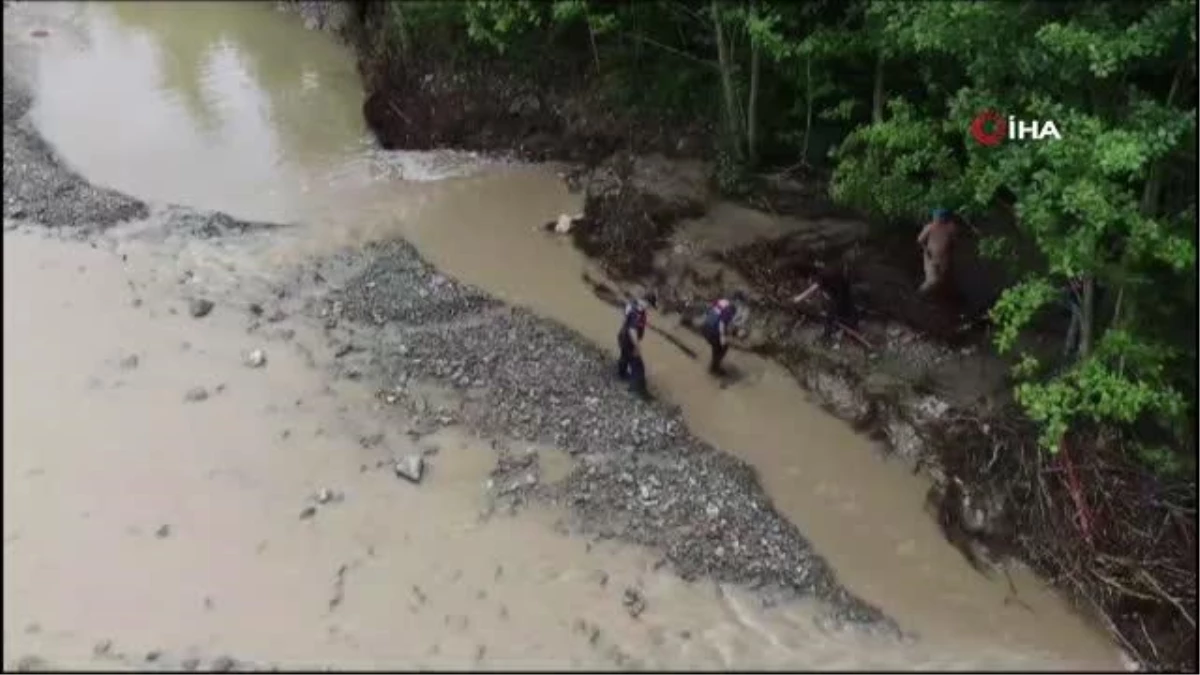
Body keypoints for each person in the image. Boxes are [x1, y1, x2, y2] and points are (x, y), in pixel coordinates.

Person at [616, 292, 656, 398]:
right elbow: (632, 330)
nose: (650, 309)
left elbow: (625, 318)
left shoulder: (632, 304)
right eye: (650, 306)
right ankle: (635, 389)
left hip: (622, 336)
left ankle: (621, 375)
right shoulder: (637, 312)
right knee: (638, 365)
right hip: (629, 340)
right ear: (646, 302)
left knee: (624, 357)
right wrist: (637, 347)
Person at [702, 291, 747, 376]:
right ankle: (714, 369)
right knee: (723, 347)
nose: (741, 304)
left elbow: (711, 309)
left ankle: (714, 365)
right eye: (741, 302)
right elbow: (722, 323)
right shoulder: (731, 308)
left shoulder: (722, 301)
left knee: (717, 347)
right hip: (713, 330)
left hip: (705, 327)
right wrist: (723, 337)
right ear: (737, 300)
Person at [917, 208, 958, 294]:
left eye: (938, 217)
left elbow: (954, 243)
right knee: (932, 281)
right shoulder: (930, 227)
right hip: (931, 257)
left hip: (945, 259)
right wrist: (927, 251)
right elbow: (920, 240)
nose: (936, 219)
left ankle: (938, 298)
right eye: (935, 217)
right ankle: (918, 295)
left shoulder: (951, 228)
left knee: (943, 279)